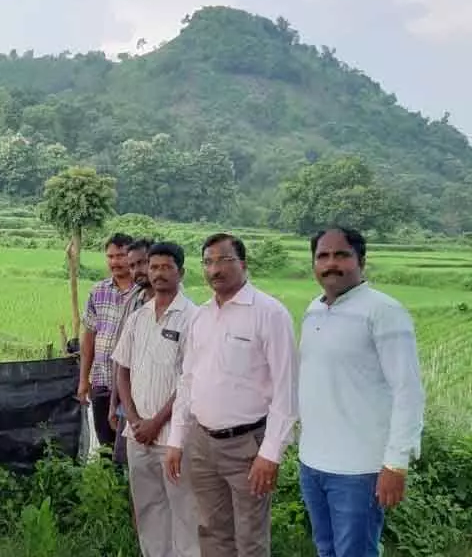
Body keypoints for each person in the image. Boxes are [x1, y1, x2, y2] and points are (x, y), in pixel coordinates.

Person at [165, 233, 298, 557]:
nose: (215, 269)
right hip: (202, 443)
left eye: (224, 260)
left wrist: (271, 453)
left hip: (247, 446)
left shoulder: (269, 313)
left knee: (250, 538)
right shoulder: (202, 316)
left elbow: (287, 389)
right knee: (212, 531)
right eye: (208, 262)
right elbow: (189, 379)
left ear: (243, 264)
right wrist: (176, 440)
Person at [298, 227, 425, 557]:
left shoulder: (383, 312)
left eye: (341, 255)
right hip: (312, 463)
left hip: (358, 470)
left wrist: (395, 464)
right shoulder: (313, 310)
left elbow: (408, 391)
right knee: (326, 550)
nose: (331, 264)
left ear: (361, 261)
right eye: (323, 256)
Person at [113, 242, 200, 557]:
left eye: (167, 267)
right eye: (154, 267)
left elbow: (189, 381)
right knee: (149, 509)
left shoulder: (194, 318)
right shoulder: (138, 318)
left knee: (184, 511)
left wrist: (155, 423)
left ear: (181, 272)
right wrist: (134, 420)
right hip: (138, 436)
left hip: (173, 438)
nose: (159, 274)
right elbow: (122, 370)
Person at [79, 232, 140, 449]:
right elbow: (88, 340)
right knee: (105, 444)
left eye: (121, 256)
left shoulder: (144, 293)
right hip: (101, 380)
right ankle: (108, 482)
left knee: (130, 446)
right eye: (110, 257)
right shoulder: (98, 291)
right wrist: (83, 379)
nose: (115, 262)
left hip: (132, 386)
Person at [110, 237, 155, 464]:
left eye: (143, 263)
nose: (138, 270)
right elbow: (121, 361)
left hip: (159, 412)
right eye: (133, 265)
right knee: (126, 470)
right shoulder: (133, 302)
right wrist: (114, 405)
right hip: (129, 408)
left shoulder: (184, 311)